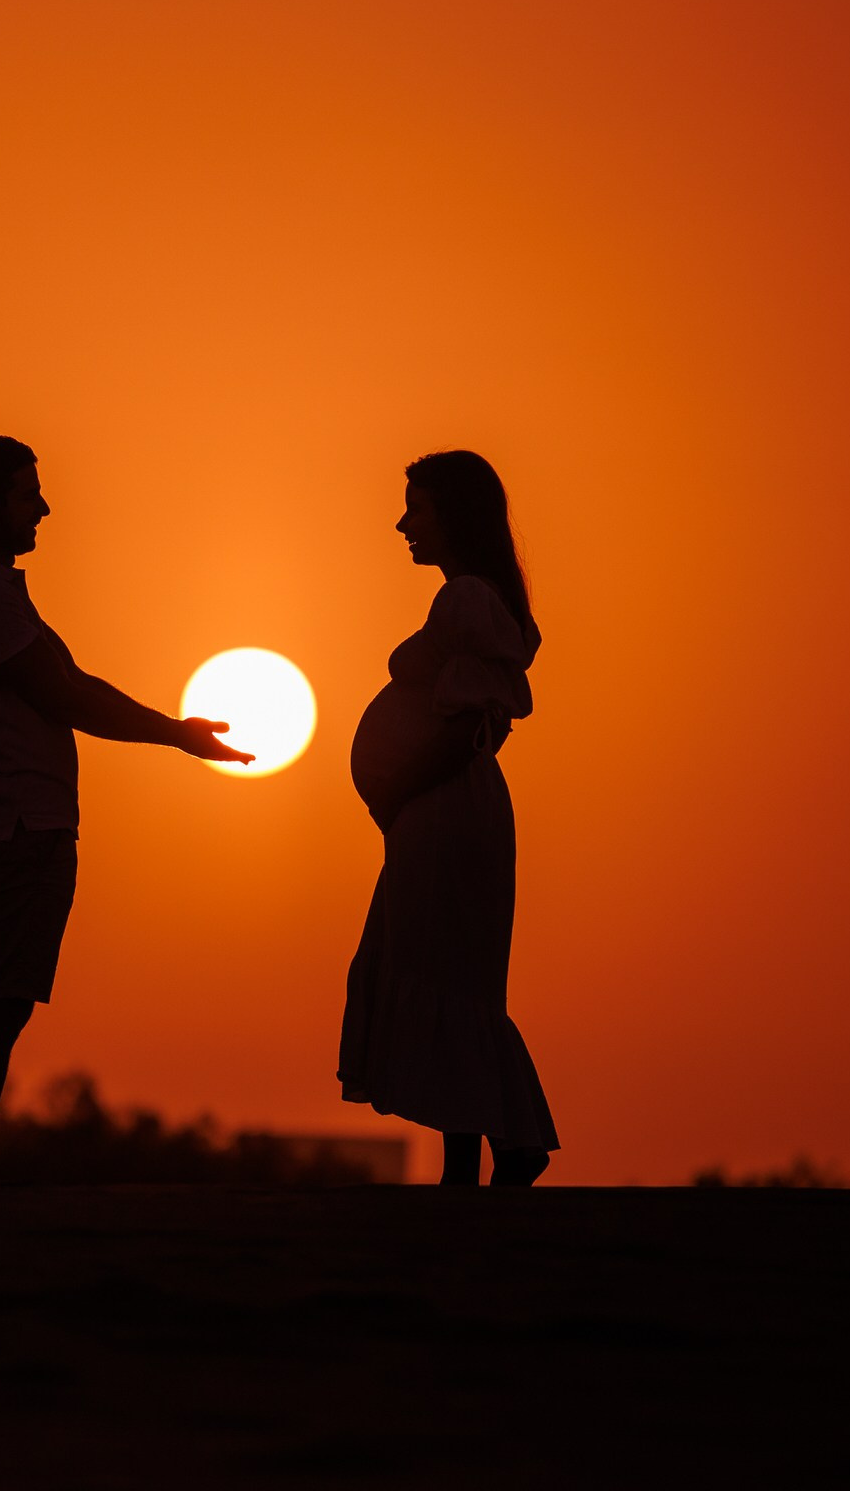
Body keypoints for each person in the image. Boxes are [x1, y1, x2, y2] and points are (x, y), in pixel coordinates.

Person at [0, 435, 252, 1185]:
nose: (44, 508)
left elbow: (70, 680)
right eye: (28, 495)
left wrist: (174, 731)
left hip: (5, 823)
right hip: (16, 828)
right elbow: (66, 695)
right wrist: (175, 735)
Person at [341, 450, 559, 1185]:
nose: (404, 523)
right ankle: (468, 1163)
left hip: (443, 808)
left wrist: (398, 789)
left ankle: (493, 1152)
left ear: (455, 516)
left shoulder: (465, 599)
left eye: (419, 508)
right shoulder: (475, 600)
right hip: (445, 810)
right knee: (451, 976)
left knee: (447, 978)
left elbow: (469, 727)